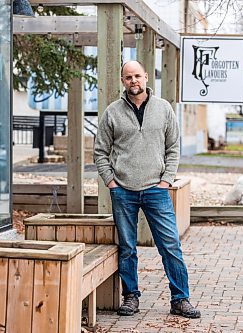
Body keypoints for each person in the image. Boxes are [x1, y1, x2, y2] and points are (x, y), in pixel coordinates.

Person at [93, 60, 201, 319]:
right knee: (128, 247)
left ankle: (180, 298)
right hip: (123, 191)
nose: (134, 81)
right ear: (123, 81)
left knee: (170, 245)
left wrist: (166, 180)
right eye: (128, 77)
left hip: (156, 189)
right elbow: (100, 151)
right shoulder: (112, 112)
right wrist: (111, 182)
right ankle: (131, 297)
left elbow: (173, 148)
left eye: (138, 76)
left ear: (146, 78)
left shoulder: (163, 109)